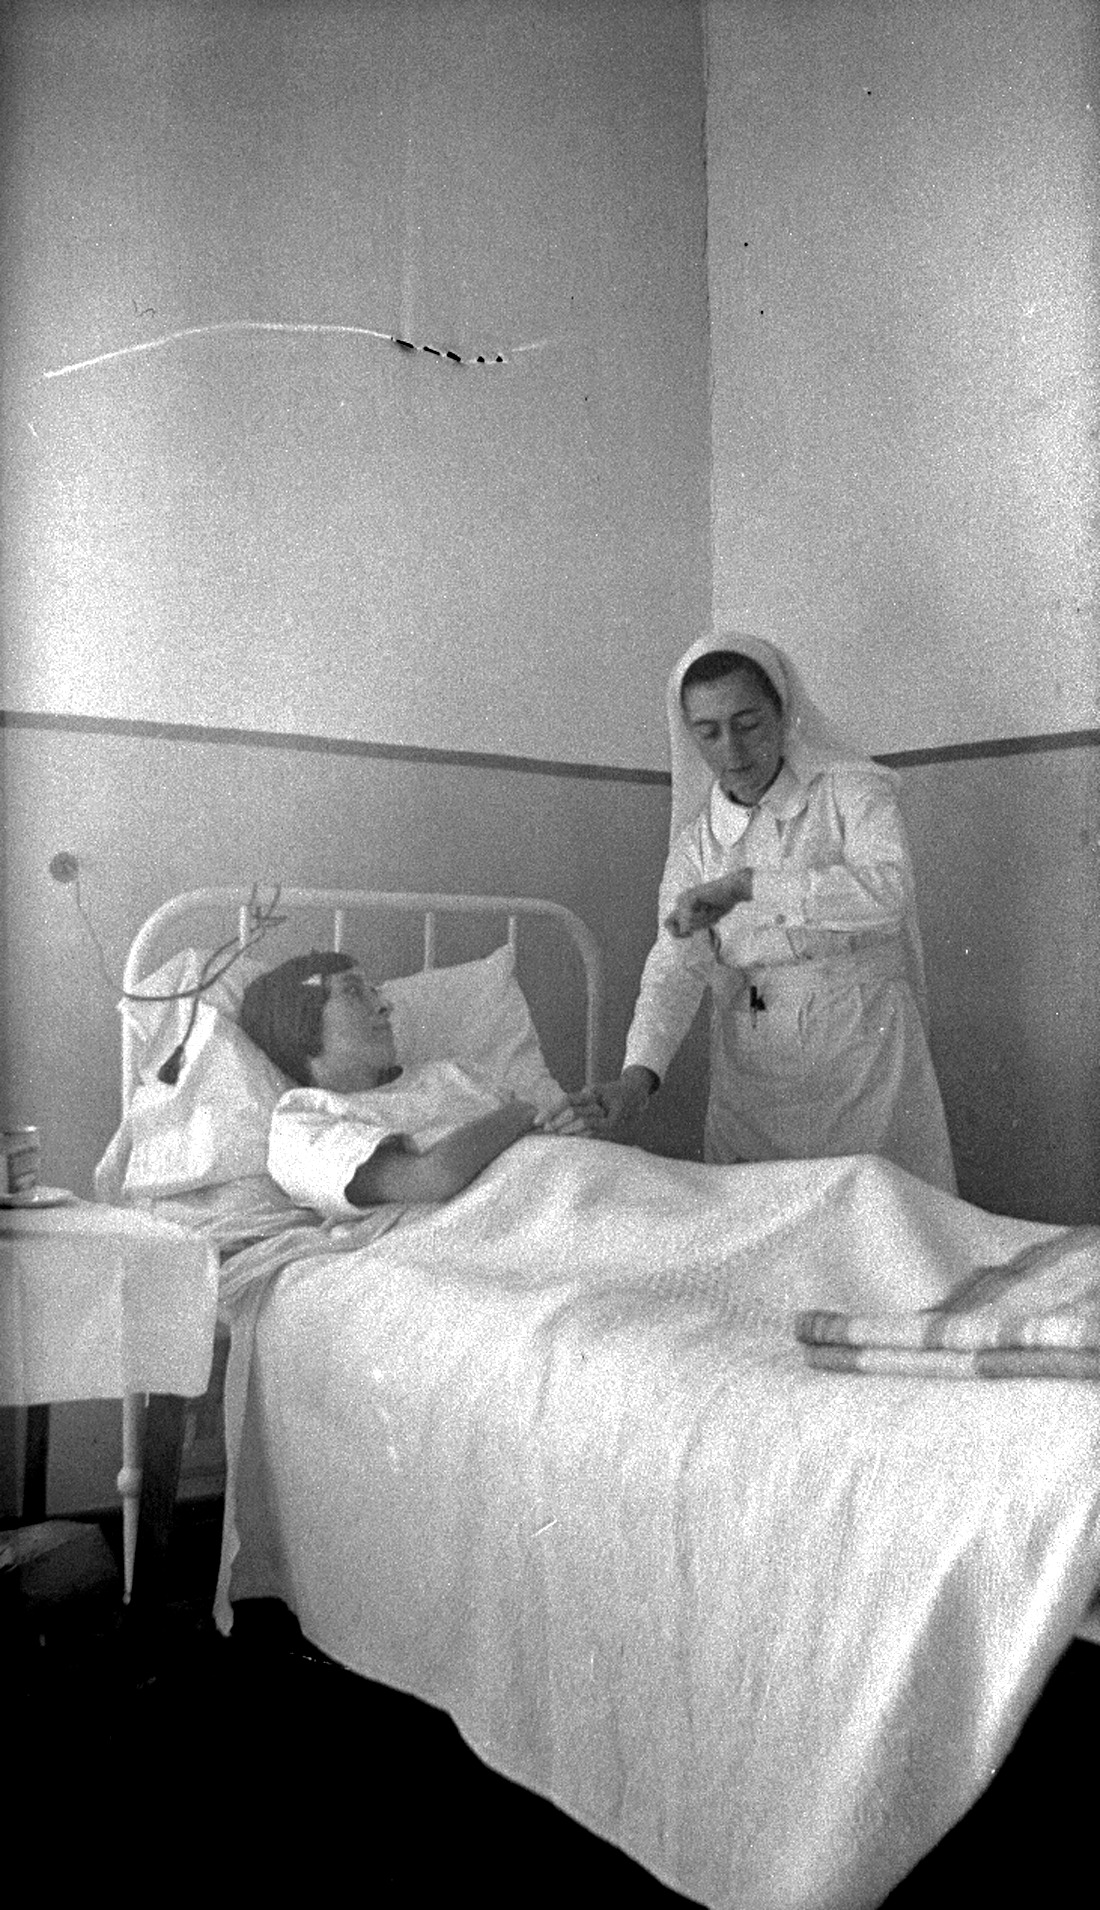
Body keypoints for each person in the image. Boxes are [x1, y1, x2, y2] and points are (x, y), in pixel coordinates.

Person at [572, 632, 956, 1191]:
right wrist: (636, 1082)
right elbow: (675, 968)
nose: (731, 749)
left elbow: (887, 893)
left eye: (747, 723)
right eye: (708, 732)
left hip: (863, 1048)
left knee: (883, 1226)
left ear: (784, 713)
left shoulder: (850, 792)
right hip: (754, 1066)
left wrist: (748, 887)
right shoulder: (697, 845)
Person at [237, 950, 582, 1220]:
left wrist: (576, 1120)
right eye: (354, 993)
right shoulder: (302, 1121)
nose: (384, 1005)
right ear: (299, 1020)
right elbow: (432, 1177)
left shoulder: (453, 1074)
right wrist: (523, 1113)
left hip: (571, 1187)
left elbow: (547, 1137)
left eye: (376, 992)